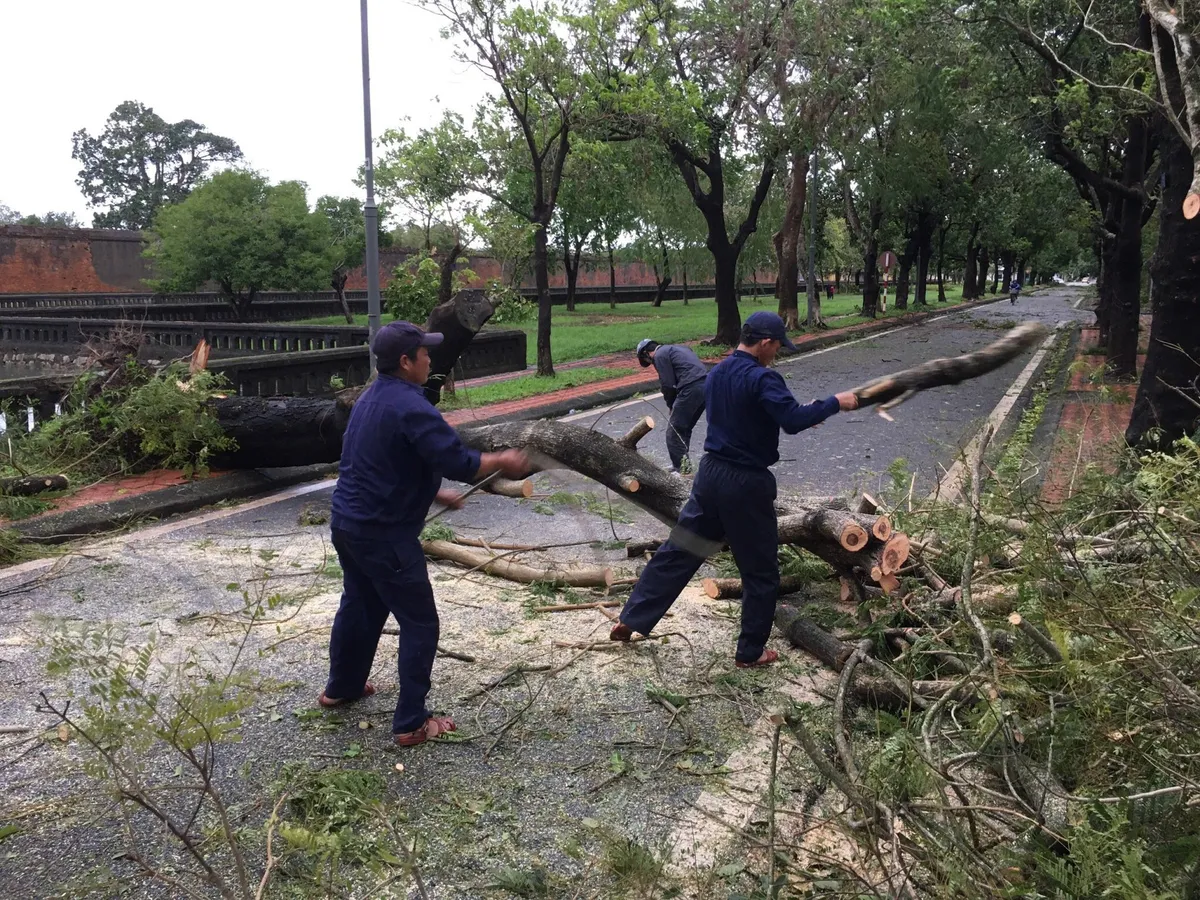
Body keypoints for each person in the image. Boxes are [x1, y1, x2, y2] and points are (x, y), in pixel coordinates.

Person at [322, 321, 529, 747]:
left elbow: (380, 460)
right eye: (425, 354)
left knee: (360, 606)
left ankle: (341, 688)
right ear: (405, 361)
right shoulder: (411, 406)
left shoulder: (368, 400)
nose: (431, 360)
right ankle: (411, 722)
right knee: (420, 622)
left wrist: (435, 492)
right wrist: (501, 460)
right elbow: (458, 459)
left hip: (348, 525)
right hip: (385, 535)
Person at [614, 312, 859, 667]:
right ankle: (750, 651)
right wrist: (835, 402)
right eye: (776, 346)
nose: (777, 353)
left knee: (680, 550)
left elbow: (751, 413)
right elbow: (790, 420)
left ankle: (631, 618)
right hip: (746, 483)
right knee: (760, 570)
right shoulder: (764, 378)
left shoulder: (718, 373)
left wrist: (801, 412)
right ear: (764, 343)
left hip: (711, 475)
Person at [636, 339, 708, 473]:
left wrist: (671, 405)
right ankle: (683, 465)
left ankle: (681, 470)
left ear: (646, 354)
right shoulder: (679, 348)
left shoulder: (659, 356)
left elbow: (668, 384)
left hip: (690, 388)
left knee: (674, 432)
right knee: (684, 428)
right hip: (706, 386)